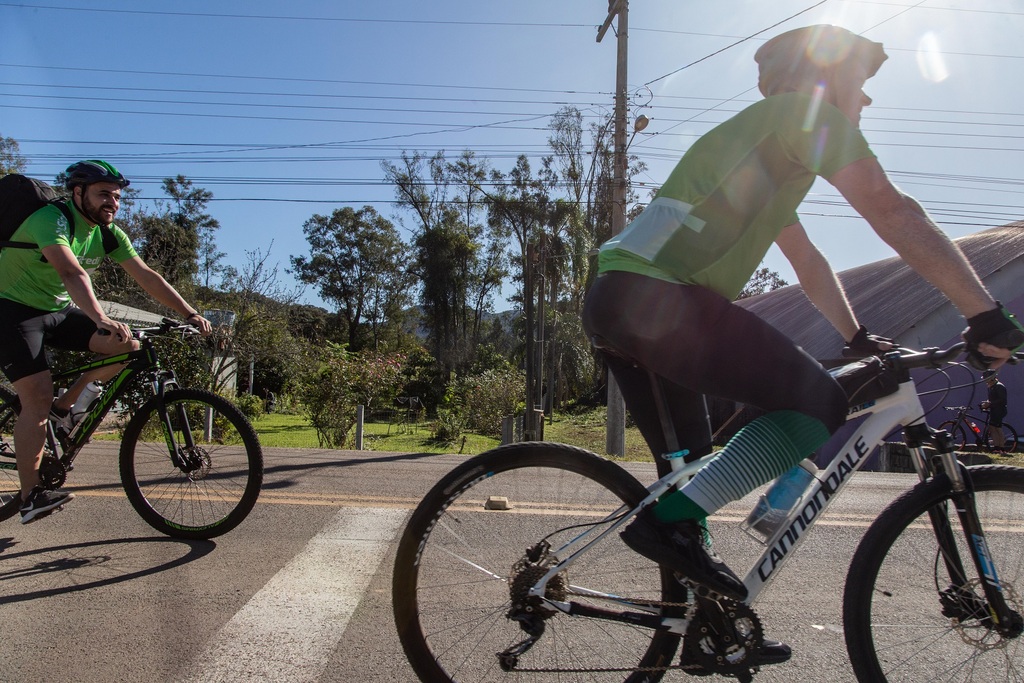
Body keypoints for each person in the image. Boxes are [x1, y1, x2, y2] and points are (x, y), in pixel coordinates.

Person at [581, 24, 1024, 663]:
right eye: (860, 85)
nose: (865, 102)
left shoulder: (764, 147)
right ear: (822, 79)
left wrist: (856, 336)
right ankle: (665, 526)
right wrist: (984, 312)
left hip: (624, 300)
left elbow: (808, 260)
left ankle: (704, 636)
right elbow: (891, 210)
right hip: (657, 299)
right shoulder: (804, 116)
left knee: (693, 474)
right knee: (817, 404)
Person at [0, 160, 212, 523]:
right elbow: (70, 270)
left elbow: (146, 274)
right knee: (35, 396)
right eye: (103, 194)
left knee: (128, 346)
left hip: (56, 310)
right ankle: (31, 495)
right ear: (78, 193)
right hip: (11, 310)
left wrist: (189, 313)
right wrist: (100, 318)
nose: (112, 202)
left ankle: (64, 408)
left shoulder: (109, 233)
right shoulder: (51, 220)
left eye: (116, 196)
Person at [981, 370, 1008, 450]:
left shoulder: (999, 386)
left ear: (992, 378)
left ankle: (1001, 447)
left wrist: (990, 403)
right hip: (994, 409)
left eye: (987, 379)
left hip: (999, 410)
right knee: (992, 428)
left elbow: (1002, 400)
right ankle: (996, 446)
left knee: (997, 428)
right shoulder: (991, 387)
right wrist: (986, 404)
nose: (985, 381)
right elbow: (992, 399)